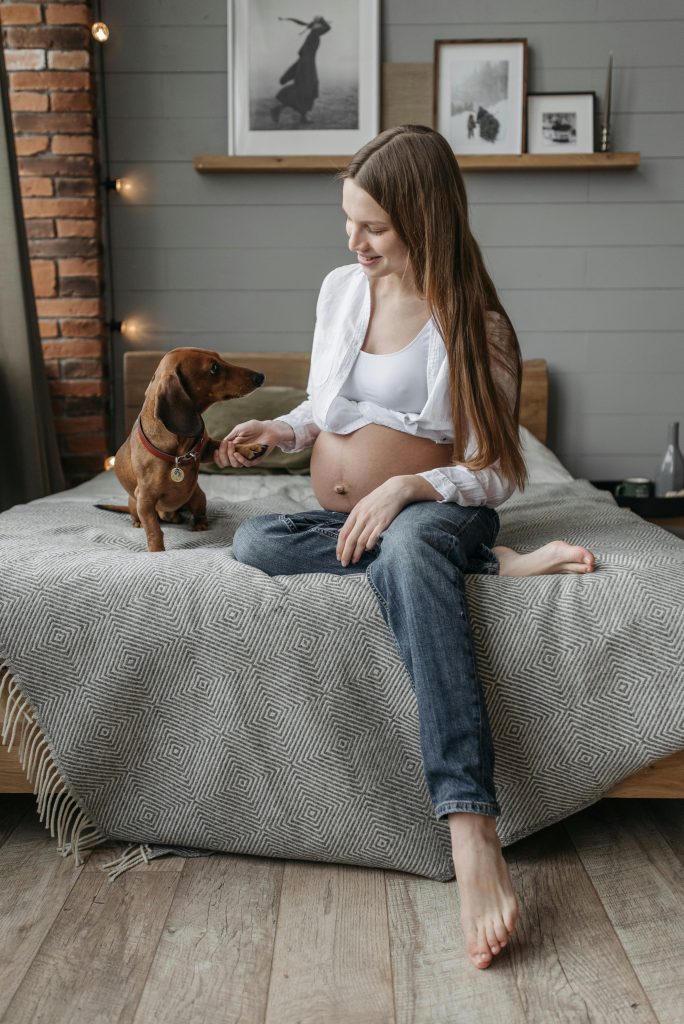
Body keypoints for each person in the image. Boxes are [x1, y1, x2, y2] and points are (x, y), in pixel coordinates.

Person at [216, 125, 596, 970]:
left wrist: (410, 486)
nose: (354, 242)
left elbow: (497, 469)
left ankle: (471, 830)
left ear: (423, 220)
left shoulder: (476, 324)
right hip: (369, 527)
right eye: (349, 221)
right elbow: (326, 406)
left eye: (373, 228)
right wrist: (279, 427)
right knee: (254, 539)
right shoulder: (342, 291)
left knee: (414, 541)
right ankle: (492, 570)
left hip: (440, 511)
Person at [272, 16, 331, 126]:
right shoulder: (314, 34)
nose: (321, 26)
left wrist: (288, 75)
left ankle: (301, 116)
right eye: (319, 24)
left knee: (306, 90)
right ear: (315, 26)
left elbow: (302, 57)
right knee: (306, 90)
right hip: (306, 68)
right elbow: (328, 28)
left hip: (306, 66)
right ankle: (279, 109)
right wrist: (321, 18)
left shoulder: (312, 35)